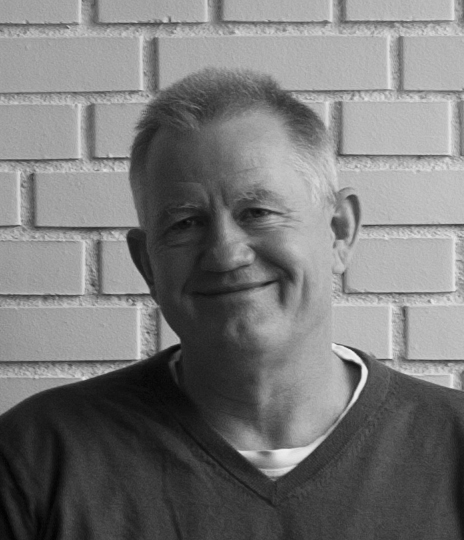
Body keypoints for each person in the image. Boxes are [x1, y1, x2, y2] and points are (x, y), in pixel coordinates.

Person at [0, 68, 463, 540]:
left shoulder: (453, 444)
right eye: (185, 223)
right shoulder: (33, 458)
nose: (225, 253)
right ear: (146, 264)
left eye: (258, 212)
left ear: (339, 232)